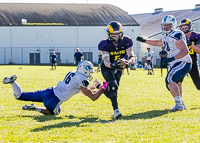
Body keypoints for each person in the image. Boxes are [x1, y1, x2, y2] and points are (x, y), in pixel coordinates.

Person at [2, 61, 107, 115]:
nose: (89, 74)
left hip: (49, 91)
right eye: (89, 72)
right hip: (54, 100)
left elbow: (83, 91)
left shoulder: (73, 73)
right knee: (56, 111)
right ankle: (36, 108)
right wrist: (103, 87)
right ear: (85, 70)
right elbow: (93, 97)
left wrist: (93, 87)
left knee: (19, 96)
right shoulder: (82, 79)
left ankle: (13, 82)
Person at [136, 15, 192, 111]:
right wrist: (144, 40)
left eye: (168, 25)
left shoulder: (176, 34)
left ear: (173, 25)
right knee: (176, 82)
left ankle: (179, 104)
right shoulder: (165, 34)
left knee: (169, 80)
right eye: (164, 25)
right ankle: (181, 103)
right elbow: (159, 42)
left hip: (182, 61)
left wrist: (172, 58)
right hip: (176, 62)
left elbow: (185, 51)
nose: (166, 27)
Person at [98, 21, 135, 119]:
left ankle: (99, 86)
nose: (116, 37)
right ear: (109, 35)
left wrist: (128, 62)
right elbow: (106, 61)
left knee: (112, 91)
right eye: (113, 35)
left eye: (118, 35)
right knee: (113, 85)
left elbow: (131, 56)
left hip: (119, 67)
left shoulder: (127, 41)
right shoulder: (104, 44)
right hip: (108, 67)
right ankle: (116, 111)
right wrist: (113, 65)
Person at [179, 18, 200, 90]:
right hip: (181, 63)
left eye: (186, 27)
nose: (184, 29)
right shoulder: (179, 36)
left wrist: (190, 44)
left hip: (192, 63)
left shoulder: (196, 36)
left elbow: (199, 51)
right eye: (183, 28)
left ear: (190, 27)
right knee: (177, 83)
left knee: (199, 85)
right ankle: (179, 100)